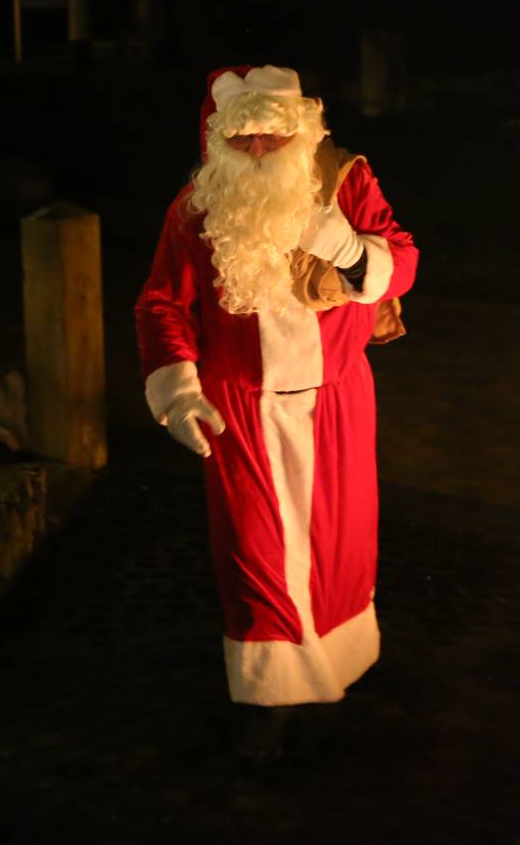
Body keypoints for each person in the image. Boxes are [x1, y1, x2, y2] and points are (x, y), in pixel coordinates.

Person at [134, 65, 417, 759]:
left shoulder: (346, 181)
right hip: (239, 406)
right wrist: (178, 391)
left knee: (338, 550)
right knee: (253, 553)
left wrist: (349, 247)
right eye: (242, 136)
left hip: (336, 400)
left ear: (300, 131)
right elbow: (162, 302)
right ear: (218, 139)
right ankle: (269, 700)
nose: (258, 149)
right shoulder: (196, 205)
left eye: (272, 133)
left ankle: (336, 679)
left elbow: (402, 261)